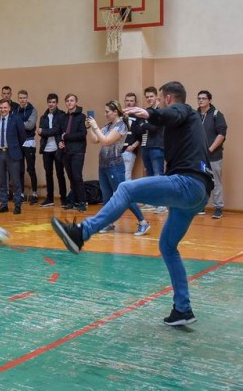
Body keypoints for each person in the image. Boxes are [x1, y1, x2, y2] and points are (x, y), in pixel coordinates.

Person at [52, 81, 214, 326]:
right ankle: (183, 309)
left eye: (160, 100)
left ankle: (81, 233)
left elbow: (173, 113)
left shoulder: (185, 111)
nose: (158, 104)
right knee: (168, 246)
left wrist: (150, 113)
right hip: (196, 195)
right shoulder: (183, 122)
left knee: (126, 188)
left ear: (168, 99)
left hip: (187, 184)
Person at [85, 100, 150, 236]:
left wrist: (95, 126)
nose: (105, 114)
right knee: (106, 196)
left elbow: (106, 141)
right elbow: (95, 140)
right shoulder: (108, 126)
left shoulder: (121, 126)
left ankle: (143, 222)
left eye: (107, 112)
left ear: (115, 112)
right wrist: (89, 128)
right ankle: (108, 223)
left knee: (125, 195)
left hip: (115, 166)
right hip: (103, 165)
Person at [0, 98, 26, 214]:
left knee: (16, 181)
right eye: (1, 108)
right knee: (1, 181)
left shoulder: (16, 119)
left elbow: (22, 136)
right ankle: (3, 204)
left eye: (5, 107)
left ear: (9, 108)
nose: (3, 110)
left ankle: (17, 205)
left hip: (12, 153)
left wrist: (15, 147)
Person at [197, 90, 227, 219]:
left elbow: (221, 135)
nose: (200, 100)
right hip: (199, 157)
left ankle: (218, 208)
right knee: (201, 181)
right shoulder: (195, 115)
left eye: (203, 98)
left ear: (210, 100)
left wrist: (209, 150)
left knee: (215, 182)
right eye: (199, 98)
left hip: (214, 156)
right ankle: (201, 206)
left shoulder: (217, 114)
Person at [138, 86, 166, 213]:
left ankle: (162, 204)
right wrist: (145, 125)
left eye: (151, 96)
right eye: (147, 97)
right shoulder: (146, 111)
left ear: (156, 97)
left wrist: (144, 124)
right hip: (145, 146)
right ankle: (152, 202)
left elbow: (155, 128)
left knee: (158, 175)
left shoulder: (160, 111)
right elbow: (138, 127)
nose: (149, 99)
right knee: (149, 176)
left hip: (157, 146)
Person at [37, 93, 67, 207]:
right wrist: (44, 132)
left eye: (53, 102)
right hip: (46, 149)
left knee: (60, 173)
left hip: (58, 148)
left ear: (57, 103)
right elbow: (40, 133)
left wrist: (44, 131)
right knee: (48, 174)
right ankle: (49, 198)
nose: (51, 104)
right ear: (47, 103)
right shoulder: (43, 117)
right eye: (49, 102)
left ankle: (63, 198)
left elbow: (58, 130)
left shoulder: (62, 115)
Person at [60, 93, 87, 212]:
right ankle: (74, 200)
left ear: (76, 102)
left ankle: (82, 202)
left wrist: (66, 137)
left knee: (77, 176)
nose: (69, 103)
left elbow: (82, 134)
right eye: (67, 101)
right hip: (66, 151)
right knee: (71, 177)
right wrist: (60, 142)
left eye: (72, 100)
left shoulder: (81, 117)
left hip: (78, 151)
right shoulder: (64, 117)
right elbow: (60, 133)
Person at [15, 89, 38, 204]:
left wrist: (17, 123)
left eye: (24, 98)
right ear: (18, 99)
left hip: (29, 142)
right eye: (20, 98)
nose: (22, 100)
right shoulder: (15, 110)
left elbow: (30, 125)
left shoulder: (33, 110)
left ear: (27, 98)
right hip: (18, 143)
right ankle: (21, 194)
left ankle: (34, 193)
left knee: (31, 169)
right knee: (20, 170)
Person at [121, 93, 142, 181]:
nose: (129, 103)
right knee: (117, 175)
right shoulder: (120, 115)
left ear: (135, 102)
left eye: (131, 101)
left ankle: (127, 191)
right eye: (127, 100)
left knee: (126, 174)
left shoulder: (139, 116)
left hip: (129, 149)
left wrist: (133, 146)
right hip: (117, 149)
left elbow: (141, 134)